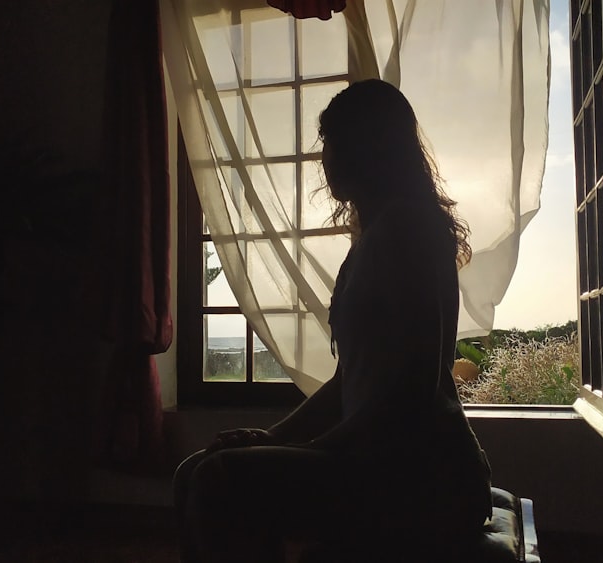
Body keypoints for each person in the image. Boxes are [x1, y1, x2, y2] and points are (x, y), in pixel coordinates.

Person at [174, 79, 493, 563]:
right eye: (328, 143)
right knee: (196, 471)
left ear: (376, 150)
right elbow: (351, 380)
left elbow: (412, 388)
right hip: (380, 462)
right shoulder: (377, 235)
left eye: (341, 141)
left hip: (423, 476)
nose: (329, 157)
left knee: (217, 479)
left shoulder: (407, 231)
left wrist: (320, 449)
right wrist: (276, 437)